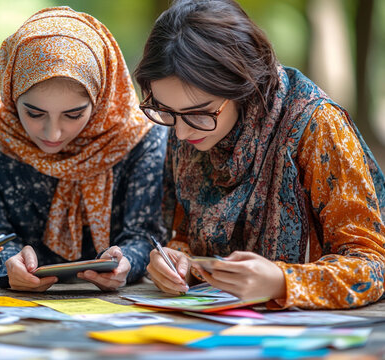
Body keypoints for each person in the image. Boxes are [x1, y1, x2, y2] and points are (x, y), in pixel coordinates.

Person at [137, 0, 385, 309]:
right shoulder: (190, 130)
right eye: (165, 112)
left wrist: (282, 282)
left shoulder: (315, 126)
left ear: (242, 84)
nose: (181, 134)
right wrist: (178, 262)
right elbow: (190, 235)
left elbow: (373, 265)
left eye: (198, 114)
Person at [0, 6, 167, 292]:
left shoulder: (137, 138)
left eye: (73, 115)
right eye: (34, 113)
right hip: (15, 305)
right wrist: (8, 263)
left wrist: (127, 261)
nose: (52, 133)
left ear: (100, 99)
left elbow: (145, 235)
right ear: (11, 92)